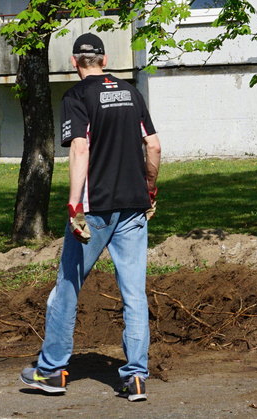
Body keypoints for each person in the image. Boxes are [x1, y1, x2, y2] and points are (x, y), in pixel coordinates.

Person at [21, 33, 162, 402]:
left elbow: (80, 148)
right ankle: (135, 378)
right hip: (133, 207)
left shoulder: (76, 97)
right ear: (104, 58)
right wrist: (149, 190)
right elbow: (154, 144)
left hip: (95, 210)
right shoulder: (131, 92)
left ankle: (50, 371)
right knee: (134, 293)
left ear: (74, 62)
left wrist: (73, 205)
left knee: (67, 287)